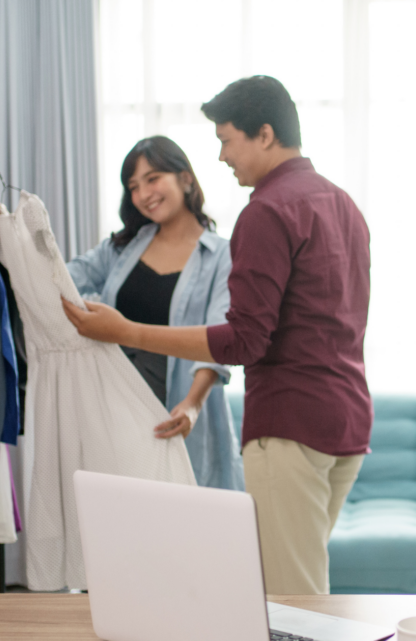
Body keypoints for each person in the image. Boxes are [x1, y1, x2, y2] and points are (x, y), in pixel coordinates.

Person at [61, 76, 373, 595]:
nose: (223, 156)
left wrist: (128, 330)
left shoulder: (266, 211)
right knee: (305, 594)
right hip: (347, 423)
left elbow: (243, 341)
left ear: (265, 135)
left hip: (291, 426)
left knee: (290, 605)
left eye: (227, 140)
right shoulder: (343, 205)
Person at [0, 136, 244, 490]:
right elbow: (61, 278)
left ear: (185, 178)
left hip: (176, 414)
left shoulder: (220, 256)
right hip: (116, 412)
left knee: (184, 528)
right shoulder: (121, 248)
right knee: (121, 523)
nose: (143, 194)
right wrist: (10, 237)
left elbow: (218, 339)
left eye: (153, 179)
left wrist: (192, 404)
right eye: (133, 186)